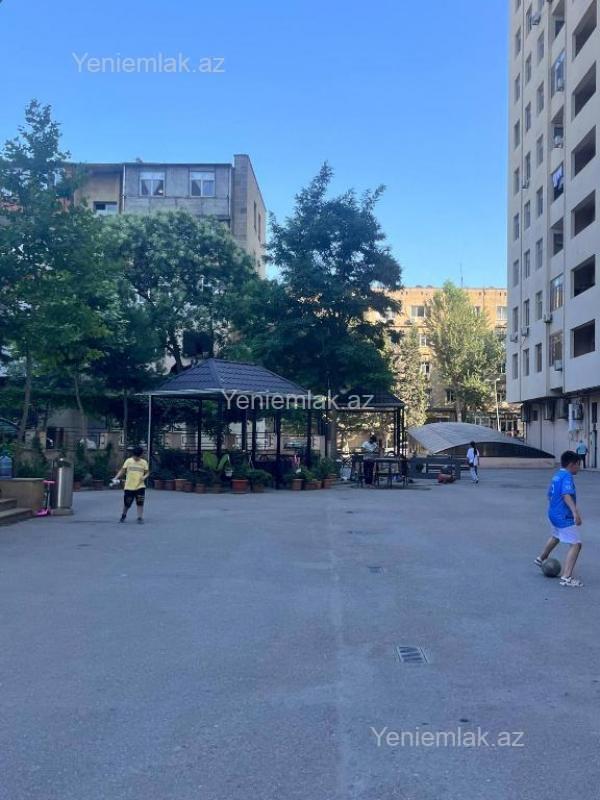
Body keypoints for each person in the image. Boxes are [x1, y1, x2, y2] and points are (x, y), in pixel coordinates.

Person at [535, 450, 584, 587]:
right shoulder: (567, 476)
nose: (579, 468)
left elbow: (549, 495)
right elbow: (566, 494)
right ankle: (566, 577)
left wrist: (555, 509)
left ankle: (541, 558)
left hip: (553, 513)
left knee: (556, 536)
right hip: (563, 516)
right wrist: (575, 513)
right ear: (572, 464)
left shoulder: (557, 475)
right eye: (578, 464)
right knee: (576, 544)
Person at [113, 445, 149, 524]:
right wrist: (116, 477)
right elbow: (122, 471)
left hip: (140, 486)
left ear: (141, 455)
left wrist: (144, 477)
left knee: (140, 502)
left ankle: (140, 517)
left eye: (138, 456)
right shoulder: (128, 461)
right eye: (135, 456)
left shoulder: (144, 462)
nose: (136, 458)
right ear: (133, 454)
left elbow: (147, 473)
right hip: (129, 486)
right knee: (127, 503)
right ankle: (123, 515)